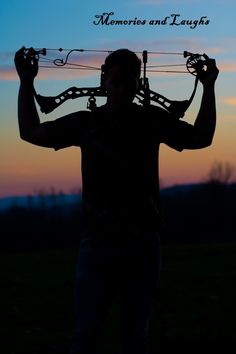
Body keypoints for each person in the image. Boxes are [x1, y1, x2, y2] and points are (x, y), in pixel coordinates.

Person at [14, 47, 219, 354]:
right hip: (98, 242)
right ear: (104, 80)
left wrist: (208, 86)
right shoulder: (87, 122)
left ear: (139, 83)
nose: (124, 88)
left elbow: (201, 137)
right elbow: (30, 132)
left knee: (135, 336)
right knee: (87, 334)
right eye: (117, 81)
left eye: (131, 82)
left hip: (142, 241)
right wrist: (25, 82)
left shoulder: (150, 120)